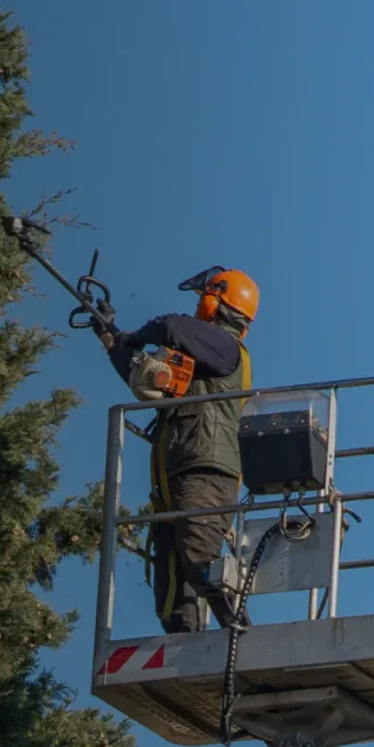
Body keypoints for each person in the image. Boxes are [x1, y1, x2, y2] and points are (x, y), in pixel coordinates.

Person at [100, 267, 259, 635]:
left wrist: (134, 337)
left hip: (205, 471)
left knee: (200, 559)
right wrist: (110, 339)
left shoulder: (224, 345)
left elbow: (171, 326)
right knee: (171, 588)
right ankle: (186, 646)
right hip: (175, 478)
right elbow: (144, 379)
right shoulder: (199, 357)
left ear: (217, 301)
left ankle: (244, 638)